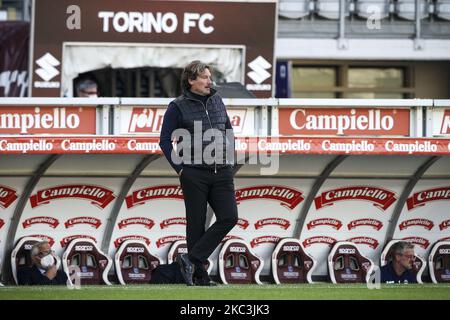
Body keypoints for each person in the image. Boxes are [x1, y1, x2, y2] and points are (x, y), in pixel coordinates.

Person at [159, 60, 238, 286]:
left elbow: (228, 129)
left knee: (229, 217)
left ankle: (190, 259)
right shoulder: (177, 106)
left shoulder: (217, 99)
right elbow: (164, 141)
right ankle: (200, 278)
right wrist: (180, 169)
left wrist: (229, 160)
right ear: (191, 80)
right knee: (195, 225)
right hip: (194, 173)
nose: (209, 81)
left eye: (209, 77)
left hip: (222, 171)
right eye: (204, 77)